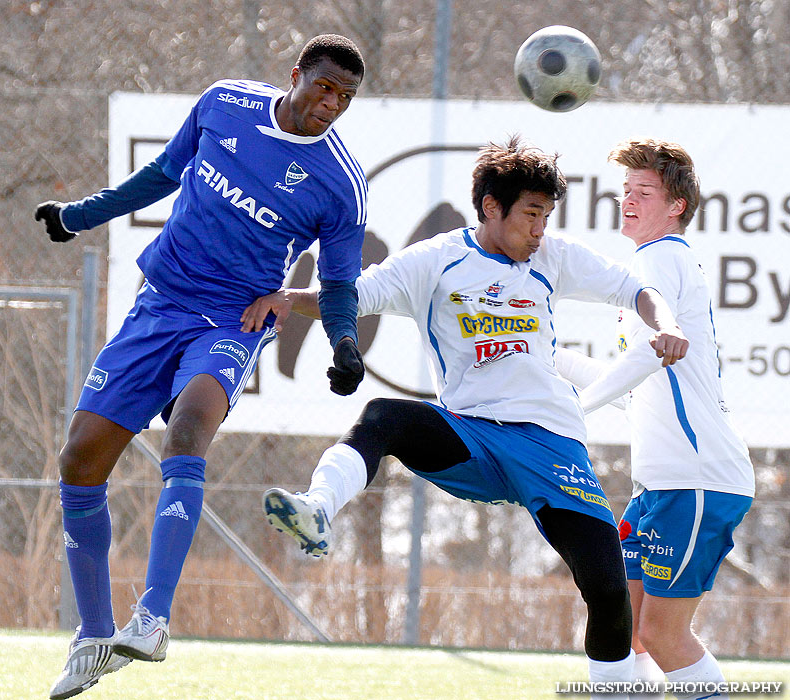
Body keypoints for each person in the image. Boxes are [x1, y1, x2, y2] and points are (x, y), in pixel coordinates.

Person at [243, 136, 690, 700]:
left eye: (547, 216)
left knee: (605, 588)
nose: (539, 230)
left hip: (552, 446)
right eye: (531, 215)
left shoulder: (552, 257)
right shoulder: (436, 260)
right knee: (384, 414)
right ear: (490, 208)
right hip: (472, 437)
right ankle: (318, 508)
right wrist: (289, 297)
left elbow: (638, 289)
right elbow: (352, 294)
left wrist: (664, 323)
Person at [34, 34, 368, 699]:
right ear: (295, 74)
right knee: (79, 460)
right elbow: (162, 174)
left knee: (187, 431)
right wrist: (78, 217)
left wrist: (343, 343)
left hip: (230, 321)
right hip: (158, 303)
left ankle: (153, 619)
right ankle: (94, 637)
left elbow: (338, 284)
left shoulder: (340, 184)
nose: (330, 105)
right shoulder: (225, 102)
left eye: (345, 98)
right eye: (324, 87)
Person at [556, 139, 754, 700]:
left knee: (662, 635)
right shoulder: (646, 269)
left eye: (643, 192)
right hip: (662, 486)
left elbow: (649, 356)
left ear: (677, 207)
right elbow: (635, 384)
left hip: (697, 481)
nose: (627, 201)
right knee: (629, 631)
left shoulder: (662, 256)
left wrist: (575, 410)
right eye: (624, 192)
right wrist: (542, 354)